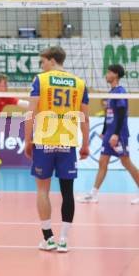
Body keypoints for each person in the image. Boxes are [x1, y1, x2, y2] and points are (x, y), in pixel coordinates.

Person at [24, 46, 90, 253]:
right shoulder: (80, 83)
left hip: (44, 141)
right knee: (67, 192)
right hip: (67, 142)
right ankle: (63, 240)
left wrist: (27, 140)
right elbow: (84, 118)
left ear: (52, 60)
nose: (41, 66)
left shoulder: (41, 80)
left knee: (42, 190)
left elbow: (30, 112)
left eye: (42, 61)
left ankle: (48, 238)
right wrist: (86, 143)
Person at [77, 64, 139, 205]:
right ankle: (93, 194)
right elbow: (108, 114)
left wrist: (115, 134)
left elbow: (122, 113)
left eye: (109, 72)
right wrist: (105, 132)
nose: (106, 74)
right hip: (110, 134)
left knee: (126, 163)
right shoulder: (111, 92)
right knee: (102, 162)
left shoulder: (120, 91)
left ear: (115, 75)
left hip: (119, 134)